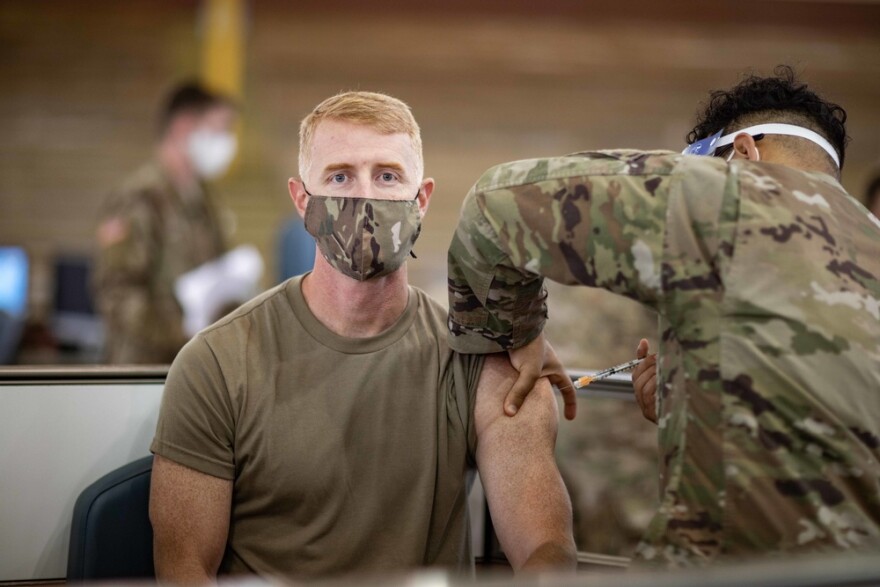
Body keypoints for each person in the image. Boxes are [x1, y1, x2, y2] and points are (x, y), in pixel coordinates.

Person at [446, 66, 880, 566]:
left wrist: (517, 333)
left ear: (741, 151)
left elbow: (492, 207)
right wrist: (692, 406)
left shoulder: (725, 194)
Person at [148, 91, 576, 582]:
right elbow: (183, 570)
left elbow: (546, 548)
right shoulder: (217, 363)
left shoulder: (481, 361)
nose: (365, 197)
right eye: (340, 176)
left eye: (388, 176)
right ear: (301, 199)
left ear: (422, 198)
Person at [94, 82, 237, 364]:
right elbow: (117, 294)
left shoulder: (204, 198)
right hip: (142, 373)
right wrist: (182, 334)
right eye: (220, 130)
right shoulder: (139, 197)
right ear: (184, 127)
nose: (227, 141)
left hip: (192, 364)